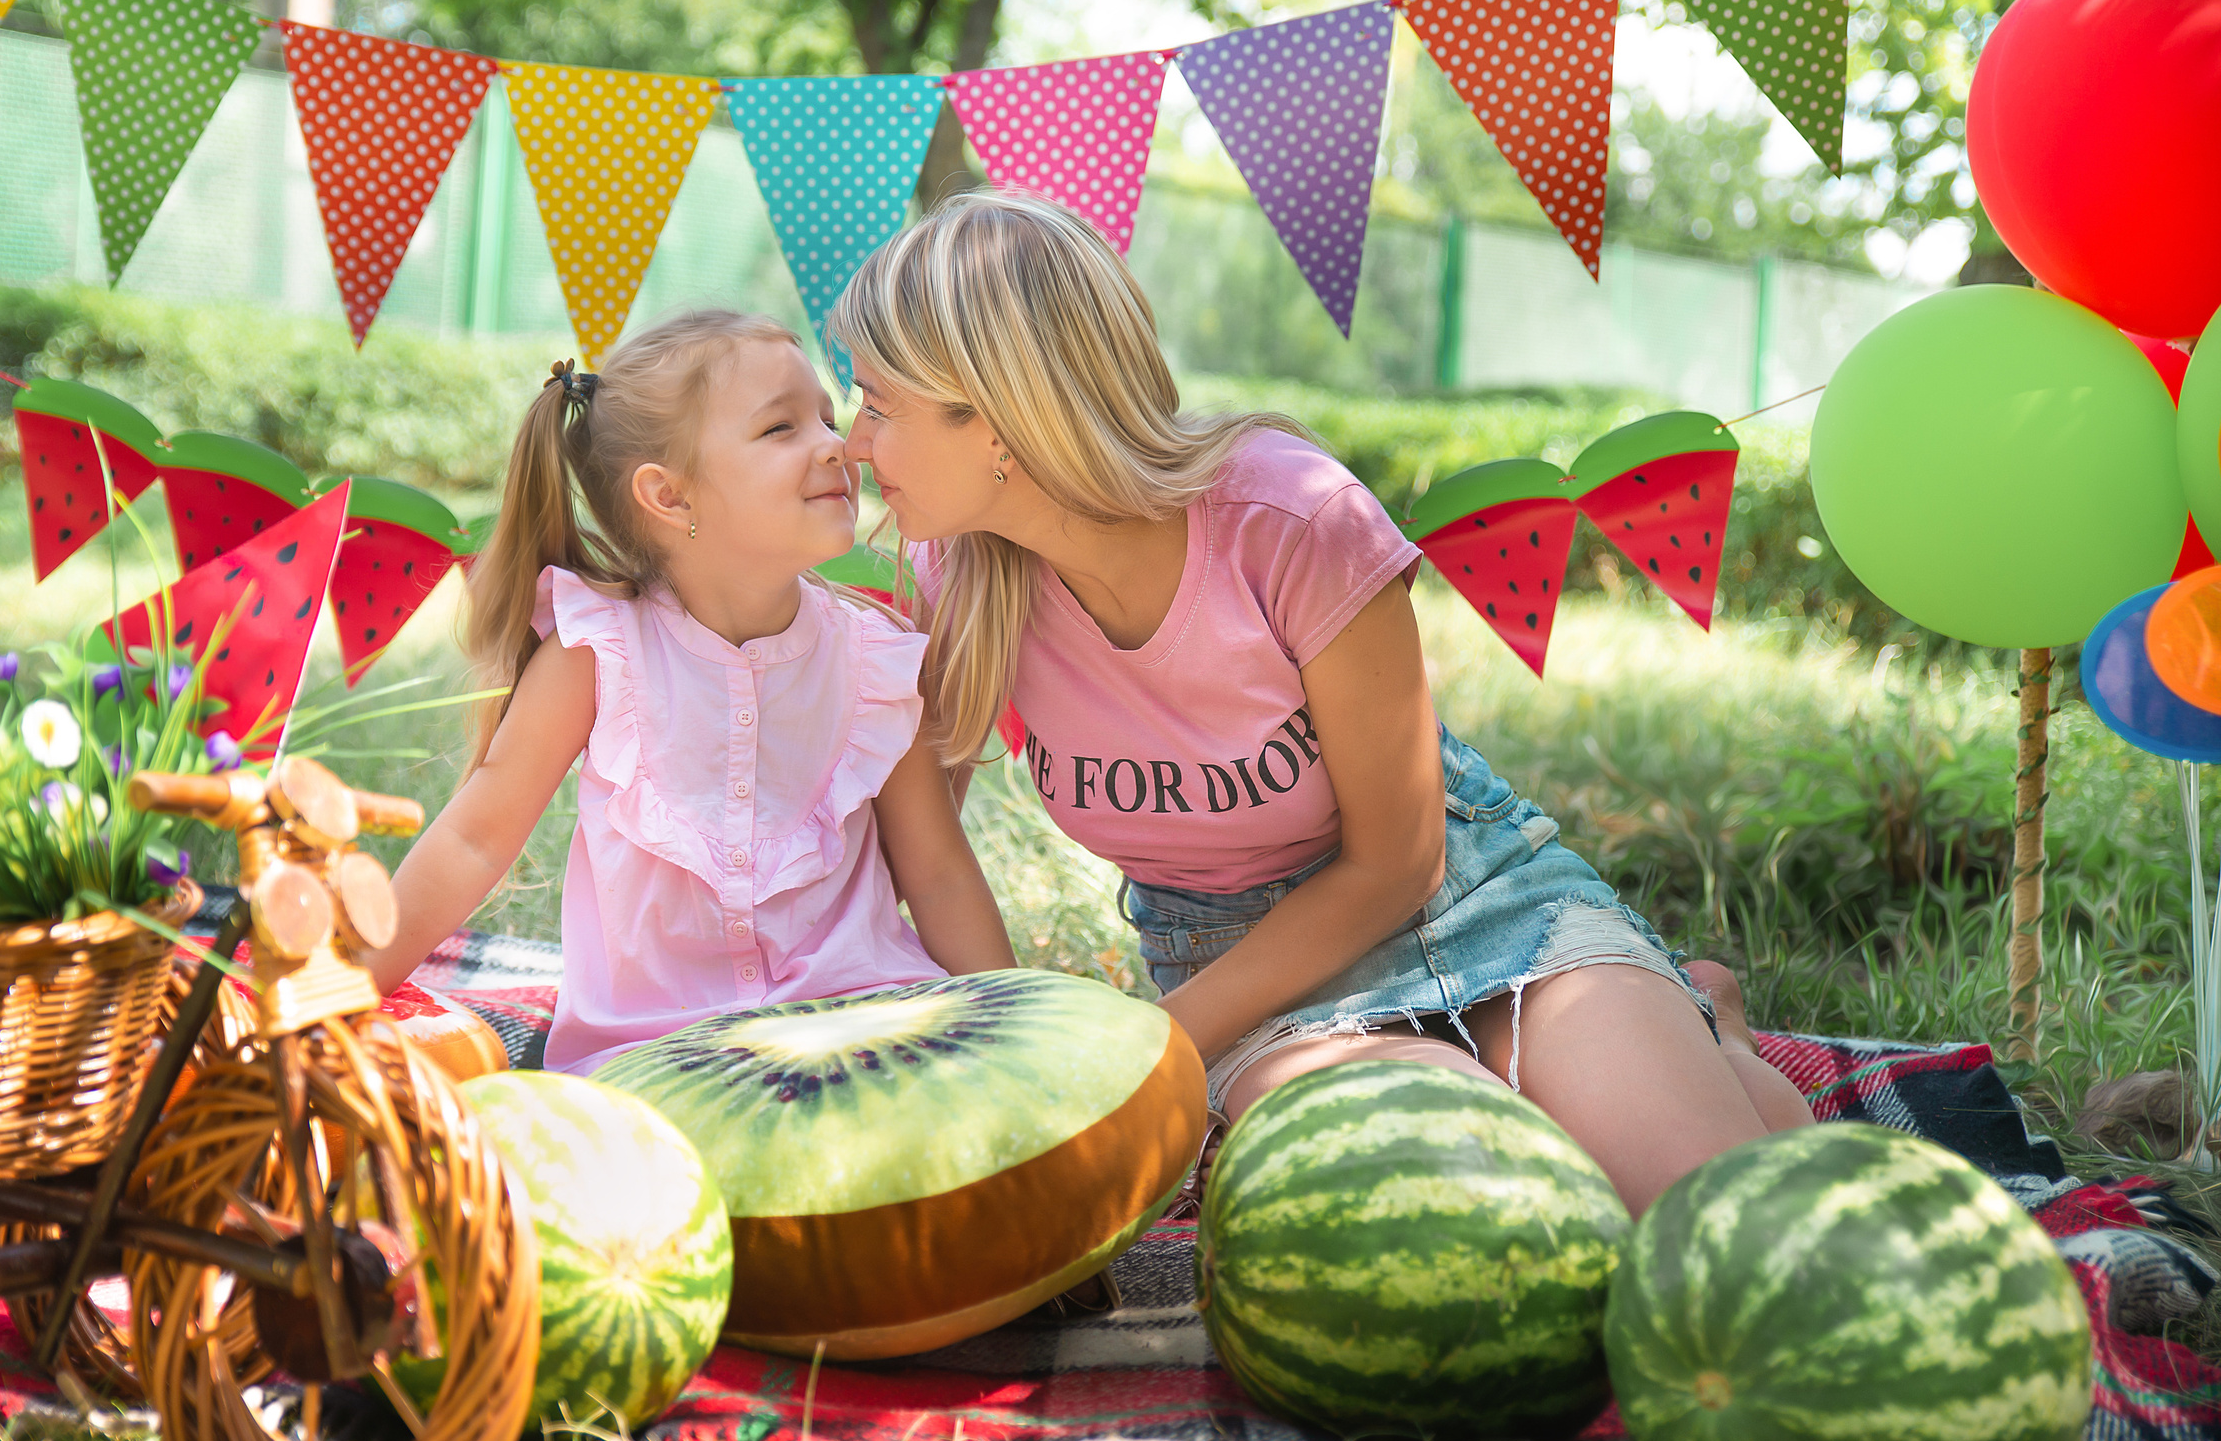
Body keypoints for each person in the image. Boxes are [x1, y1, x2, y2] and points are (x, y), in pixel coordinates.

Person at [833, 191, 1812, 1215]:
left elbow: (1400, 857)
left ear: (991, 416)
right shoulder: (958, 577)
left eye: (877, 405)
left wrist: (1150, 1047)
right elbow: (917, 850)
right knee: (1495, 1217)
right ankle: (1693, 1032)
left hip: (1471, 903)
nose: (855, 444)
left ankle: (1705, 1023)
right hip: (1248, 972)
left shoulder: (1291, 517)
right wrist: (1014, 1065)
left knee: (1717, 1214)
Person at [372, 310, 1015, 1074]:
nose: (837, 446)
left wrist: (1017, 1038)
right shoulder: (598, 653)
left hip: (858, 1038)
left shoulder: (873, 662)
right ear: (670, 498)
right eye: (782, 429)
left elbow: (938, 875)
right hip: (656, 1061)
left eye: (826, 417)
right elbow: (471, 840)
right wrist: (337, 993)